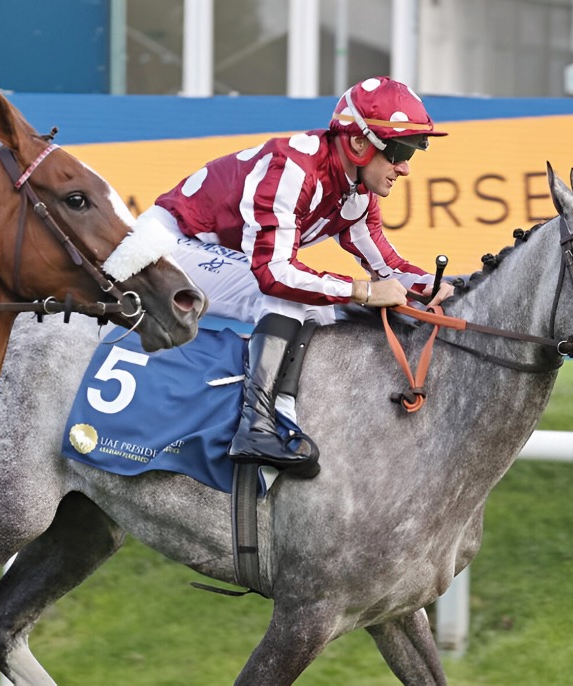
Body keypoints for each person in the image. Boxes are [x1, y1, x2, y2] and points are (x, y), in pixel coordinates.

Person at [134, 76, 454, 476]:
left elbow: (387, 267)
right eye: (398, 150)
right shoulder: (294, 168)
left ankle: (285, 411)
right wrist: (363, 291)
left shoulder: (358, 191)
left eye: (413, 151)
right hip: (166, 246)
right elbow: (274, 274)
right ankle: (258, 426)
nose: (404, 167)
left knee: (323, 304)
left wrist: (439, 286)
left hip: (213, 250)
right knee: (291, 294)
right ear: (358, 143)